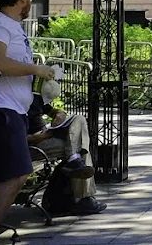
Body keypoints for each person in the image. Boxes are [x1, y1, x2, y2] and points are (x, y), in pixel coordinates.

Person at [0, 0, 58, 231]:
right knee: (16, 175)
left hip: (11, 112)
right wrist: (37, 70)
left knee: (11, 176)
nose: (30, 2)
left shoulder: (12, 26)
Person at [25, 79, 102, 214]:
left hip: (46, 136)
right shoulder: (14, 102)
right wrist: (42, 136)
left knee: (79, 119)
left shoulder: (33, 96)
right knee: (80, 148)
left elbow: (52, 111)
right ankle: (83, 198)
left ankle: (73, 159)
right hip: (35, 143)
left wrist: (59, 114)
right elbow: (18, 139)